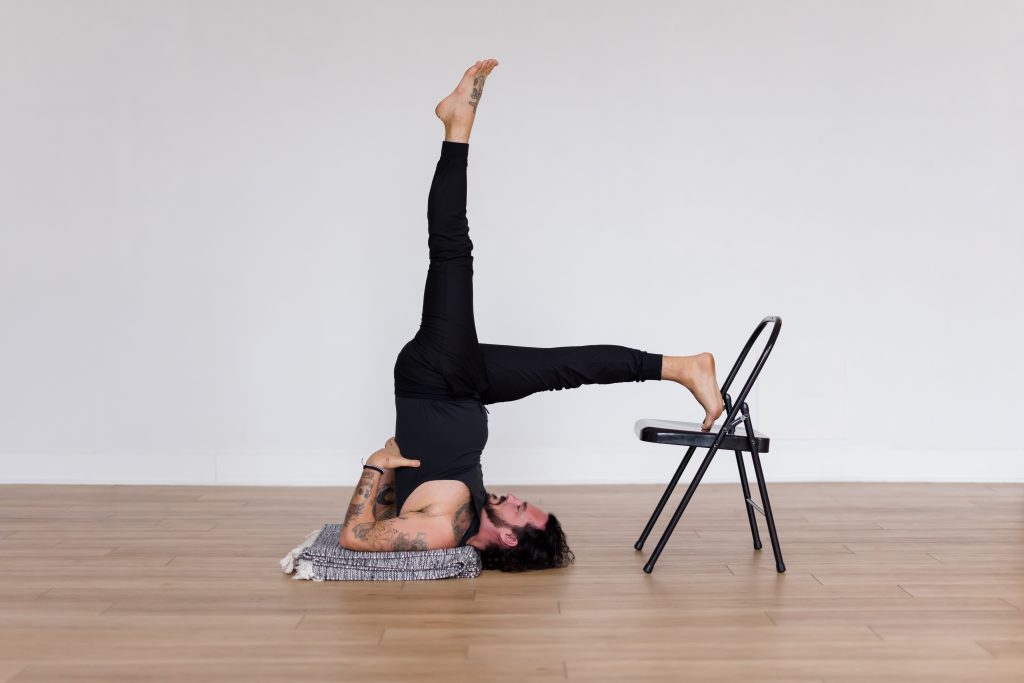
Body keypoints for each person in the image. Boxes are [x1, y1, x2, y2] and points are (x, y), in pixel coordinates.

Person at [339, 59, 724, 571]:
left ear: (509, 539)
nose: (516, 497)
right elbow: (386, 515)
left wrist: (375, 468)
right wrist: (391, 472)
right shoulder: (466, 514)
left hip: (437, 379)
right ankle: (680, 366)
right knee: (566, 369)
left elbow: (357, 537)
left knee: (451, 251)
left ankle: (457, 126)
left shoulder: (443, 527)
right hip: (466, 386)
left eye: (520, 509)